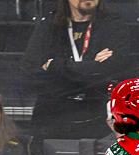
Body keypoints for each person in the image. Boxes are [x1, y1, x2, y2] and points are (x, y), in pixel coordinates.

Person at [22, 0, 127, 142]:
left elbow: (108, 71)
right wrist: (89, 67)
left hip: (96, 121)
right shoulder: (49, 26)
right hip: (51, 121)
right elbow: (29, 74)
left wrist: (54, 65)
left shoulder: (113, 26)